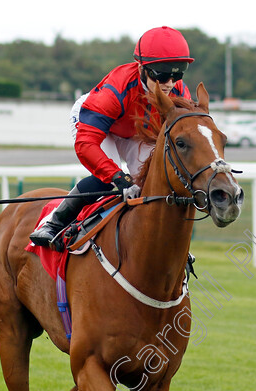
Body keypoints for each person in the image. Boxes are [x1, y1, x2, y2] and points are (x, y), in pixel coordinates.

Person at [29, 26, 194, 250]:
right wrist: (117, 177)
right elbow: (86, 144)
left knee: (151, 181)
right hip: (99, 125)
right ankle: (53, 222)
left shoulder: (178, 93)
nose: (169, 83)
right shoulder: (116, 89)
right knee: (107, 178)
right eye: (162, 74)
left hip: (134, 131)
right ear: (141, 67)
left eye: (177, 74)